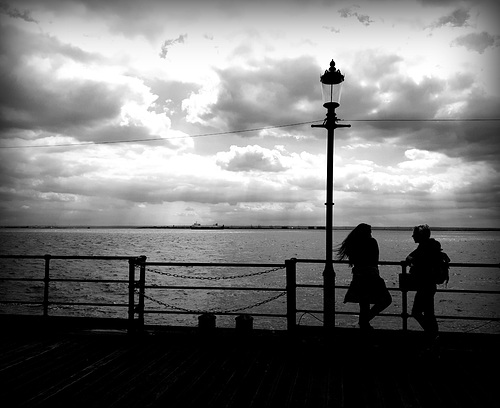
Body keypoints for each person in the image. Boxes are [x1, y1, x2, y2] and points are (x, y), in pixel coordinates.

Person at [337, 223, 392, 330]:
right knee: (386, 300)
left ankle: (364, 324)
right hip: (372, 276)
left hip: (358, 277)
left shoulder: (354, 244)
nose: (371, 233)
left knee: (364, 303)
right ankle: (364, 321)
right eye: (370, 231)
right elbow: (374, 260)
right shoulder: (371, 242)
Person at [406, 224, 443, 337]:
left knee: (416, 312)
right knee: (429, 314)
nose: (412, 236)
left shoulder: (424, 248)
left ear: (420, 236)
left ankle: (432, 335)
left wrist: (411, 260)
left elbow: (410, 258)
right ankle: (433, 335)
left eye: (415, 234)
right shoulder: (430, 246)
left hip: (424, 285)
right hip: (430, 284)